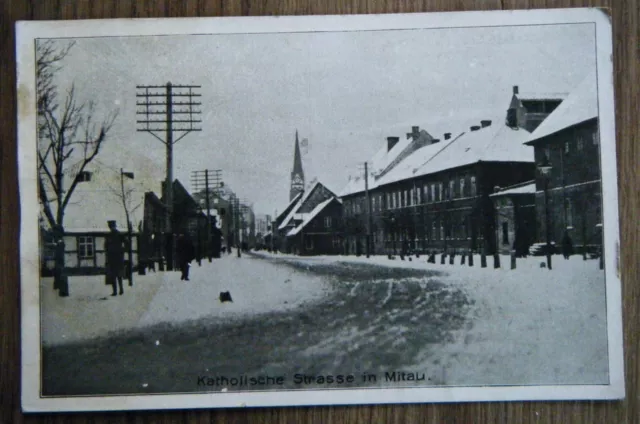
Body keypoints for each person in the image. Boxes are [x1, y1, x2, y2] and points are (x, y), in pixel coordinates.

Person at [105, 221, 125, 296]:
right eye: (110, 226)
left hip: (115, 258)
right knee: (115, 275)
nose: (111, 227)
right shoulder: (113, 235)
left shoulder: (116, 235)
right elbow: (106, 246)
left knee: (116, 275)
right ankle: (118, 290)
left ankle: (118, 290)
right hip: (115, 258)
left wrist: (122, 250)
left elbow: (126, 242)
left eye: (111, 226)